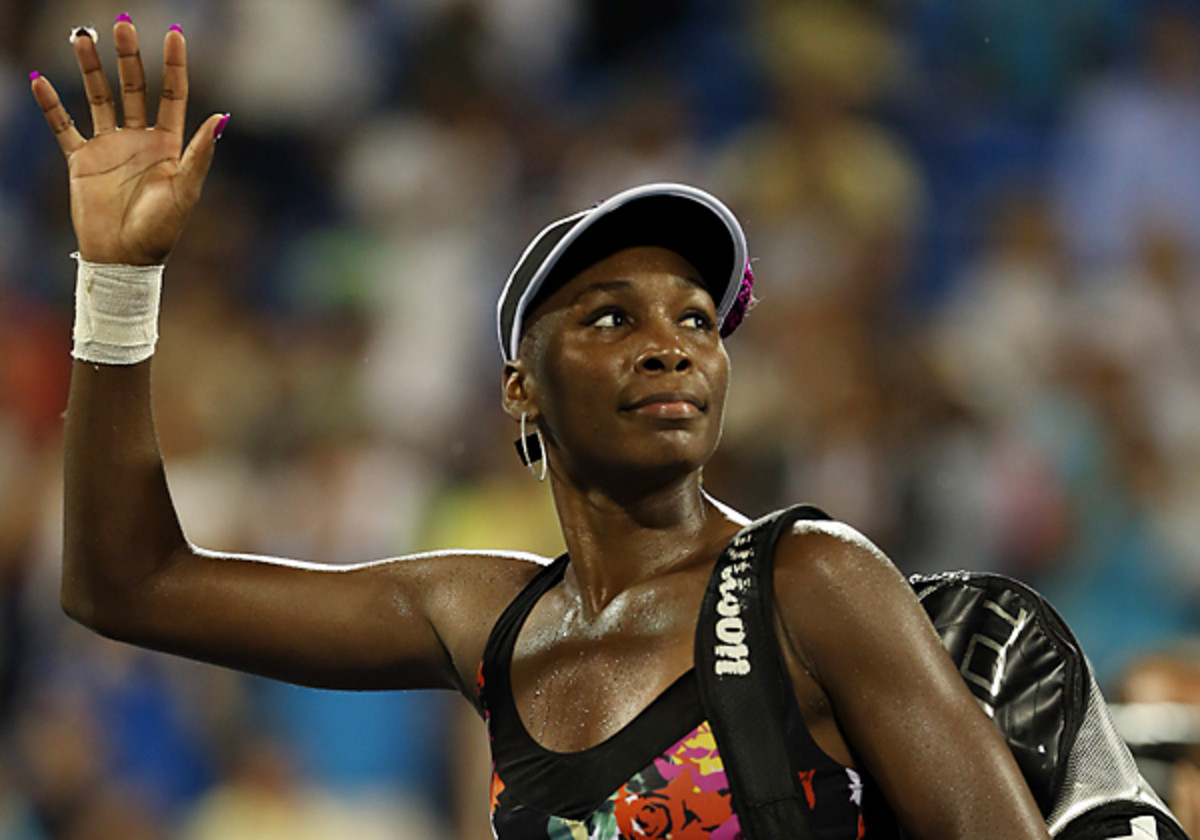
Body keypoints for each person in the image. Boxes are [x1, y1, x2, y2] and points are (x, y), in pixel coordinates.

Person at [30, 18, 1052, 840]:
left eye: (697, 319)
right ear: (520, 390)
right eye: (613, 317)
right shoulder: (487, 618)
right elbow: (125, 584)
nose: (672, 346)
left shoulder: (813, 582)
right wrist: (119, 282)